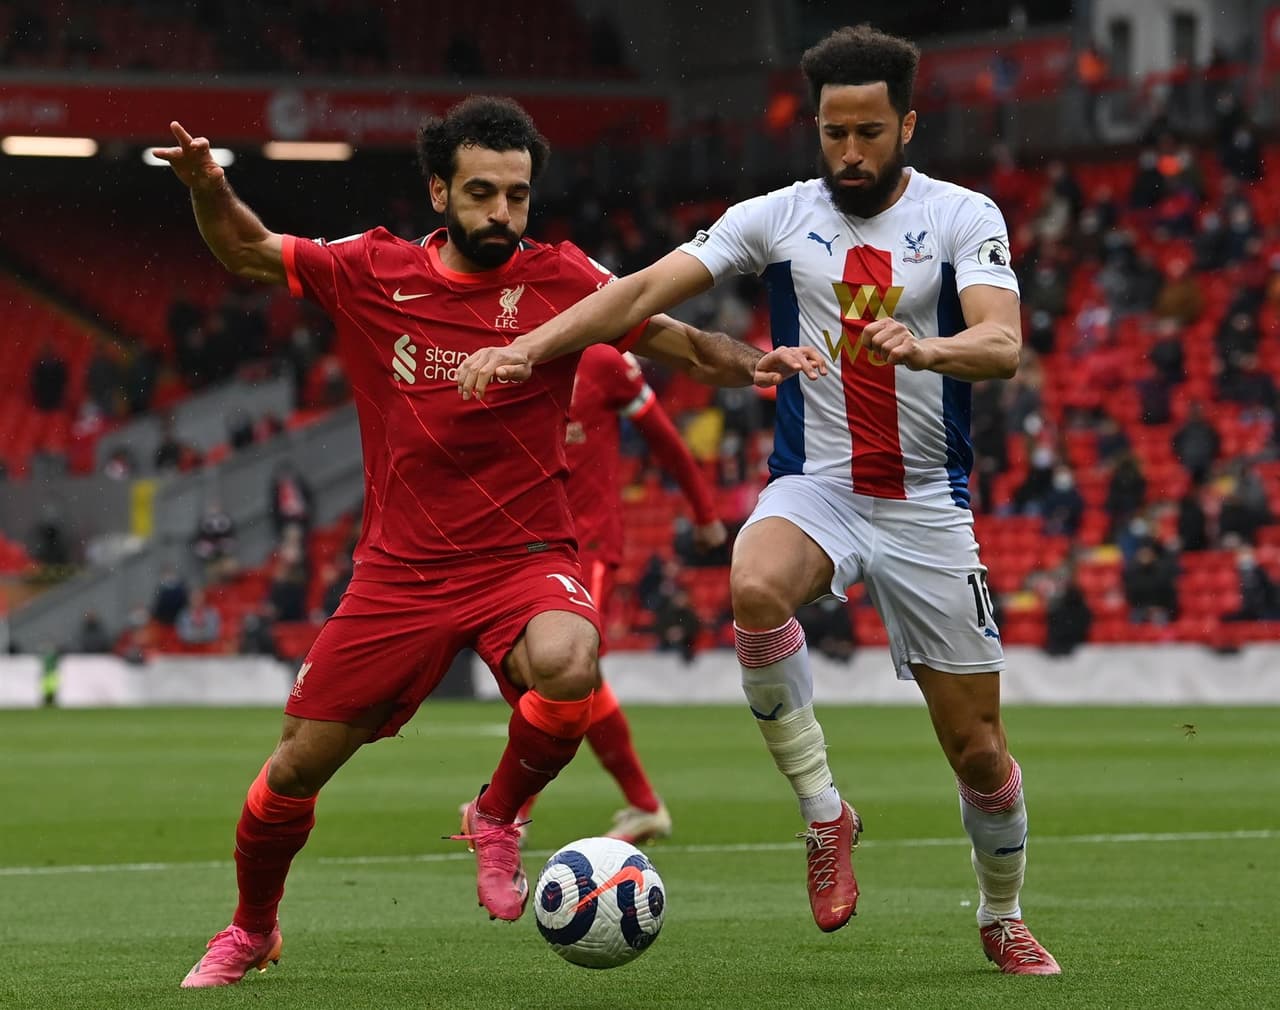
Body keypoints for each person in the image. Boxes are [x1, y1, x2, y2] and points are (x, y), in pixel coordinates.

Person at [156, 96, 819, 988]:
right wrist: (208, 185)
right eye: (481, 193)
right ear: (439, 191)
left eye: (517, 194)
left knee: (572, 664)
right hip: (400, 573)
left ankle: (498, 814)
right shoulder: (373, 268)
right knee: (294, 770)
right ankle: (251, 928)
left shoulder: (562, 277)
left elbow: (677, 342)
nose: (503, 212)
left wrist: (754, 364)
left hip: (525, 558)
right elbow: (247, 250)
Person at [458, 25, 1060, 975]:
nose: (849, 152)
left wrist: (926, 347)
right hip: (816, 486)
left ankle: (1001, 913)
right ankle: (825, 816)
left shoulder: (960, 215)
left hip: (925, 506)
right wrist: (528, 348)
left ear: (907, 125)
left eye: (868, 133)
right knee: (753, 584)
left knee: (980, 752)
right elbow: (641, 292)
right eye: (833, 133)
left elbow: (1002, 344)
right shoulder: (778, 216)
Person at [505, 344, 729, 844]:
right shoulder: (514, 354)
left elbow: (663, 437)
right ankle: (643, 805)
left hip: (586, 543)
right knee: (563, 675)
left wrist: (705, 512)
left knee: (564, 669)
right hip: (530, 543)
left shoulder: (603, 362)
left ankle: (512, 813)